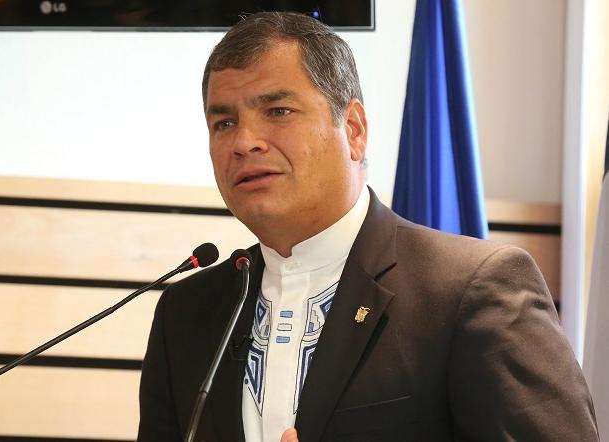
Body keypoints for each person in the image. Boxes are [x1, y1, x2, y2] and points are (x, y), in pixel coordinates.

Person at [138, 11, 598, 442]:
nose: (244, 142)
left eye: (278, 111)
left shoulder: (471, 291)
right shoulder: (186, 314)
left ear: (354, 129)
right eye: (224, 122)